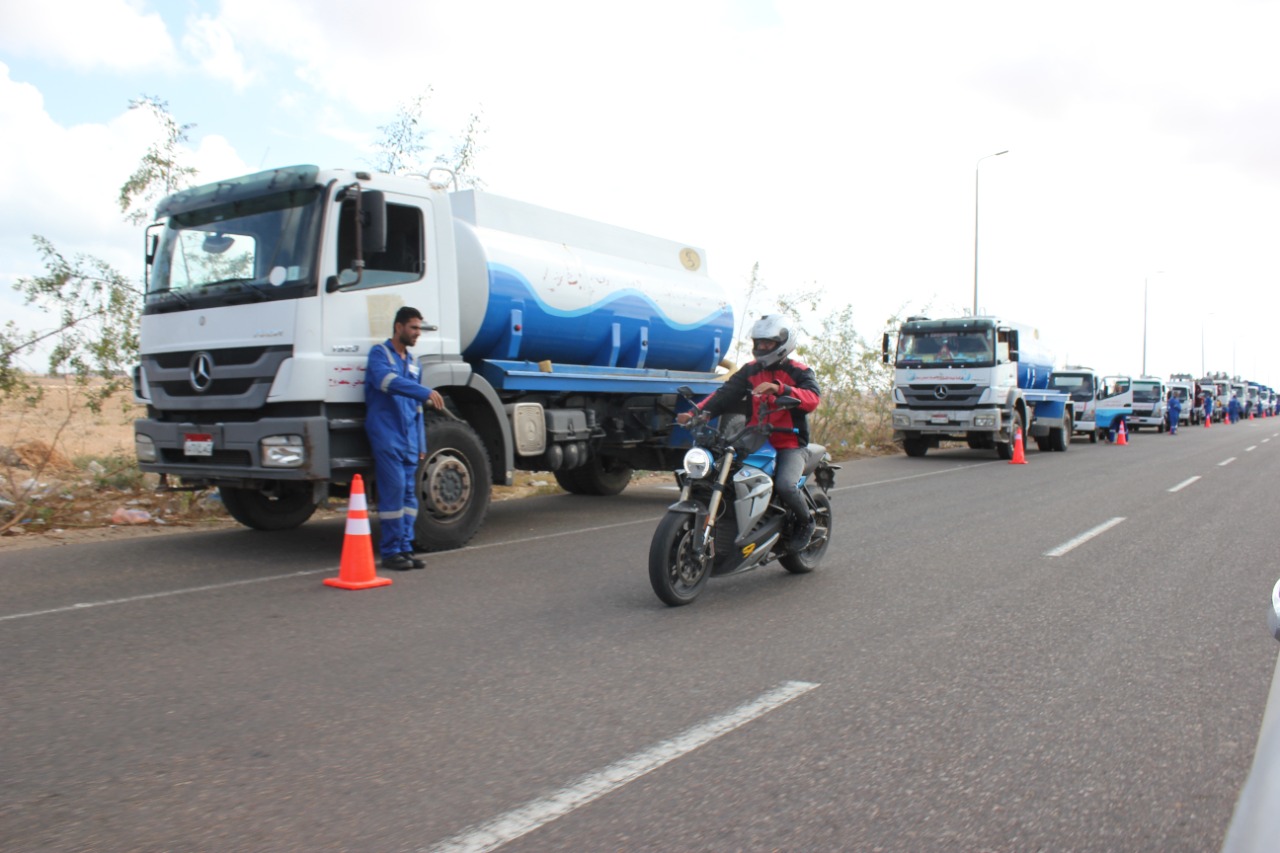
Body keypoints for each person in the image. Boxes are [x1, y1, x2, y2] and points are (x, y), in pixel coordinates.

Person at [676, 315, 821, 550]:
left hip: (790, 443)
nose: (762, 348)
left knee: (785, 485)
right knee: (718, 470)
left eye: (768, 343)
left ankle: (807, 523)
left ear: (783, 343)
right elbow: (724, 394)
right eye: (759, 343)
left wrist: (780, 388)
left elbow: (812, 399)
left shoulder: (799, 371)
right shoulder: (750, 371)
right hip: (755, 437)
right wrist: (697, 414)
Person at [365, 306, 445, 571]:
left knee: (410, 497)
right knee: (394, 492)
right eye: (413, 328)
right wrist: (423, 390)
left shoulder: (415, 362)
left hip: (410, 439)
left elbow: (418, 407)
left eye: (419, 328)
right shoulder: (380, 354)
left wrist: (421, 443)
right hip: (387, 436)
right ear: (398, 327)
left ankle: (405, 548)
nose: (417, 333)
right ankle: (390, 552)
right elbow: (386, 382)